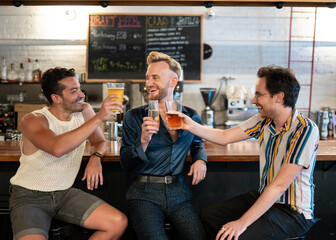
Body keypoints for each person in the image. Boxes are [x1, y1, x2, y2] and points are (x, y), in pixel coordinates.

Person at [180, 66, 319, 240]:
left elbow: (279, 186)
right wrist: (189, 125)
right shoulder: (264, 120)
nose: (253, 100)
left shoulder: (305, 129)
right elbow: (224, 136)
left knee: (239, 235)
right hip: (265, 198)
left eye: (259, 94)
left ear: (279, 96)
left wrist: (242, 223)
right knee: (209, 217)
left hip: (293, 213)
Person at [9, 67, 128, 240]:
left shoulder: (84, 111)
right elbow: (57, 148)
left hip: (64, 193)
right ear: (56, 98)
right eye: (74, 91)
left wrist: (96, 157)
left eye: (79, 88)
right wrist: (99, 117)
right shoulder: (33, 119)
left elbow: (100, 141)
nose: (81, 94)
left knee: (117, 222)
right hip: (29, 196)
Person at [120, 51, 207, 240]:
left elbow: (198, 143)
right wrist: (143, 140)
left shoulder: (191, 116)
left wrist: (201, 160)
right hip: (144, 194)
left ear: (173, 81)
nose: (149, 83)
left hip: (179, 192)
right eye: (147, 78)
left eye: (155, 77)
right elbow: (125, 163)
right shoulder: (134, 117)